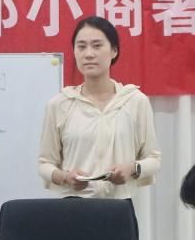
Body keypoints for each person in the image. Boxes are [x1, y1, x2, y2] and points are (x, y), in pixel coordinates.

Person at [37, 15, 162, 199]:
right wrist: (64, 177)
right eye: (81, 47)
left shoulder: (135, 101)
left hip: (119, 204)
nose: (88, 54)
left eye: (97, 46)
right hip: (73, 204)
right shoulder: (60, 104)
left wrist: (132, 168)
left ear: (114, 51)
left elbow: (153, 159)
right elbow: (45, 163)